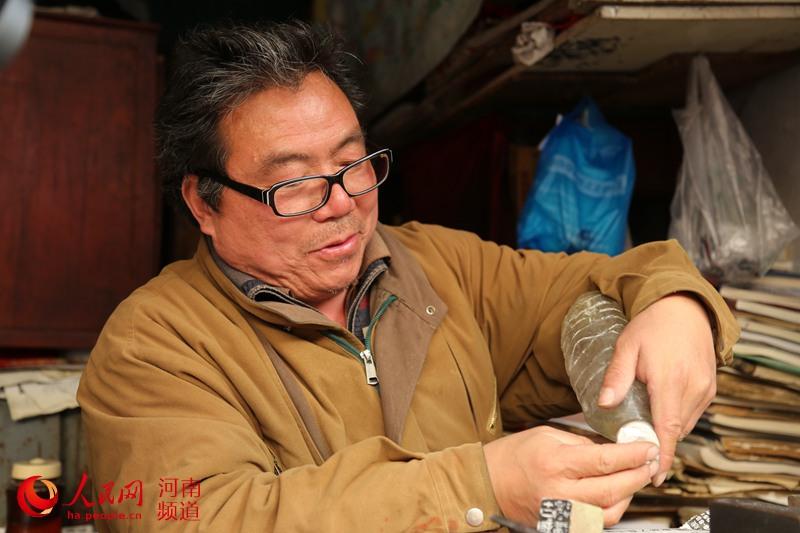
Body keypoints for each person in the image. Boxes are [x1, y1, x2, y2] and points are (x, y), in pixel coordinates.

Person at [77, 20, 739, 532]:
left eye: (353, 163)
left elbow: (593, 285)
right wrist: (479, 484)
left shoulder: (435, 266)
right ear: (204, 203)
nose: (342, 203)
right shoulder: (153, 345)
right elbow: (204, 520)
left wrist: (677, 303)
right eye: (295, 184)